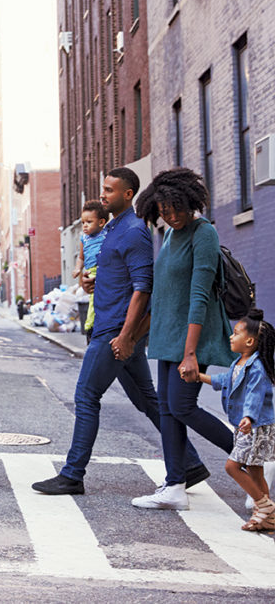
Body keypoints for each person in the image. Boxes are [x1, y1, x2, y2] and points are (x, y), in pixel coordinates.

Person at [32, 167, 207, 495]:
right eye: (103, 188)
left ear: (128, 194)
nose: (103, 194)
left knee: (86, 396)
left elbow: (142, 289)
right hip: (111, 325)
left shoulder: (134, 232)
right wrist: (90, 282)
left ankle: (72, 474)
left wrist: (126, 337)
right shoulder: (111, 230)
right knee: (147, 400)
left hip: (113, 332)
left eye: (110, 190)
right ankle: (191, 464)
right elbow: (118, 277)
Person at [130, 168, 235, 510]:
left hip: (193, 337)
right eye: (164, 210)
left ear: (191, 202)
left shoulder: (203, 233)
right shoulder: (172, 234)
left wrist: (191, 353)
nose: (172, 216)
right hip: (168, 337)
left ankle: (252, 457)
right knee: (166, 409)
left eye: (177, 208)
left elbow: (199, 296)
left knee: (182, 406)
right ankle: (174, 485)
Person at [190, 310, 275, 530]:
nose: (231, 336)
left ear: (249, 340)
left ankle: (265, 507)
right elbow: (224, 380)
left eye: (236, 333)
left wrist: (249, 417)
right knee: (254, 470)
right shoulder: (239, 361)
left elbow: (255, 396)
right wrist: (198, 376)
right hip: (244, 425)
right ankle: (265, 517)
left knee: (232, 466)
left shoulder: (257, 367)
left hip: (254, 425)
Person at [73, 200, 108, 335]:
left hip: (102, 269)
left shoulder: (106, 235)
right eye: (83, 223)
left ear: (101, 222)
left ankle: (91, 325)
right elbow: (81, 257)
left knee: (97, 300)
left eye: (89, 222)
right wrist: (77, 269)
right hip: (90, 271)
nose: (85, 226)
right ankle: (90, 326)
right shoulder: (84, 239)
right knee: (93, 299)